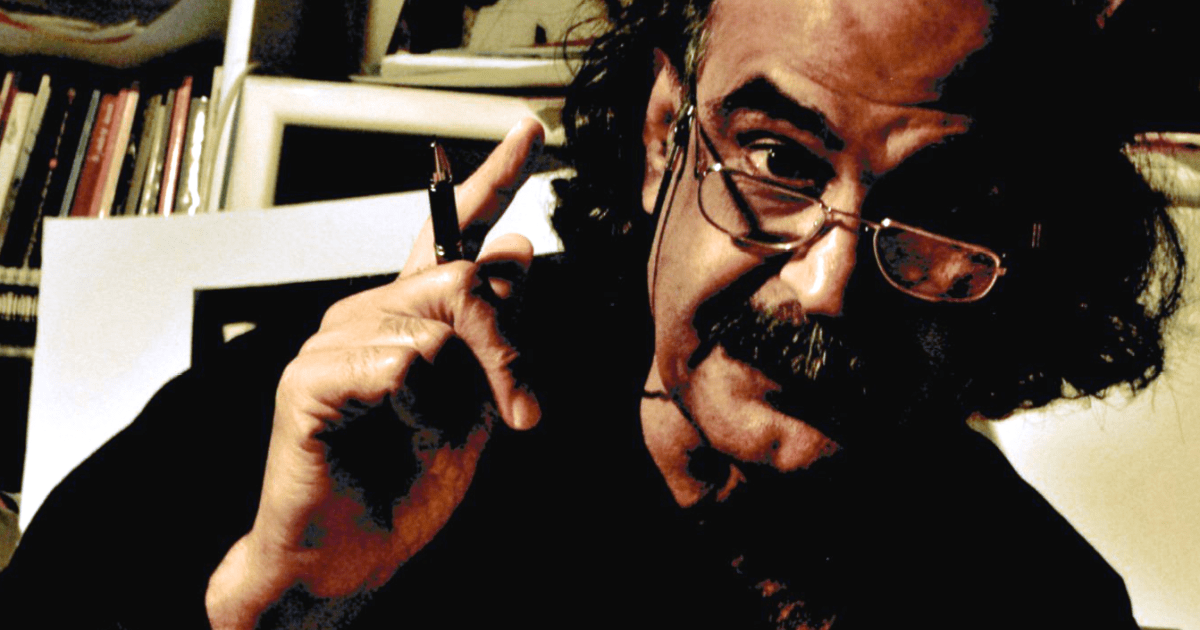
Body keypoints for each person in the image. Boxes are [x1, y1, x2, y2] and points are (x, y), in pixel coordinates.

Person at [0, 0, 1187, 628]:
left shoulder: (1037, 598)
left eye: (942, 210)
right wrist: (281, 606)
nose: (827, 285)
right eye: (777, 159)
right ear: (668, 132)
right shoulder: (321, 434)